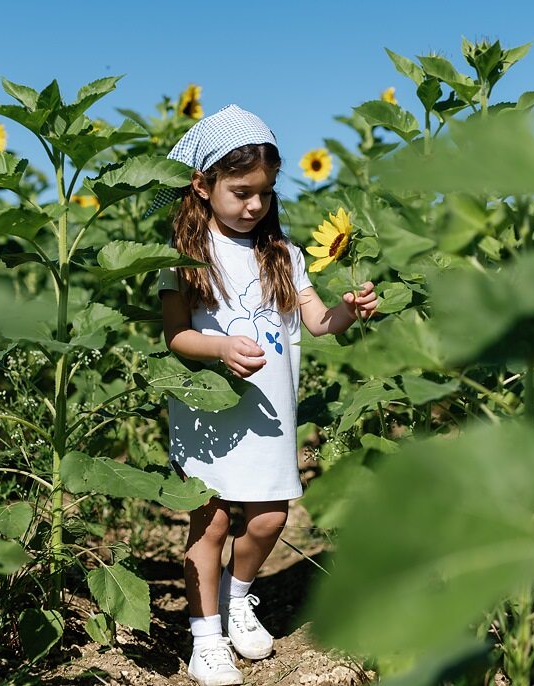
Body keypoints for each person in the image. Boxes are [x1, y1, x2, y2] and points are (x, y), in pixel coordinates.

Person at [154, 104, 377, 686]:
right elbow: (176, 335)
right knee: (210, 524)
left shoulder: (285, 253)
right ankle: (205, 637)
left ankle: (237, 596)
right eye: (241, 191)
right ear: (202, 186)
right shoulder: (183, 256)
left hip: (269, 413)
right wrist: (220, 348)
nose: (256, 205)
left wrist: (347, 311)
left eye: (266, 192)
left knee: (270, 517)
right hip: (207, 407)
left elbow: (319, 322)